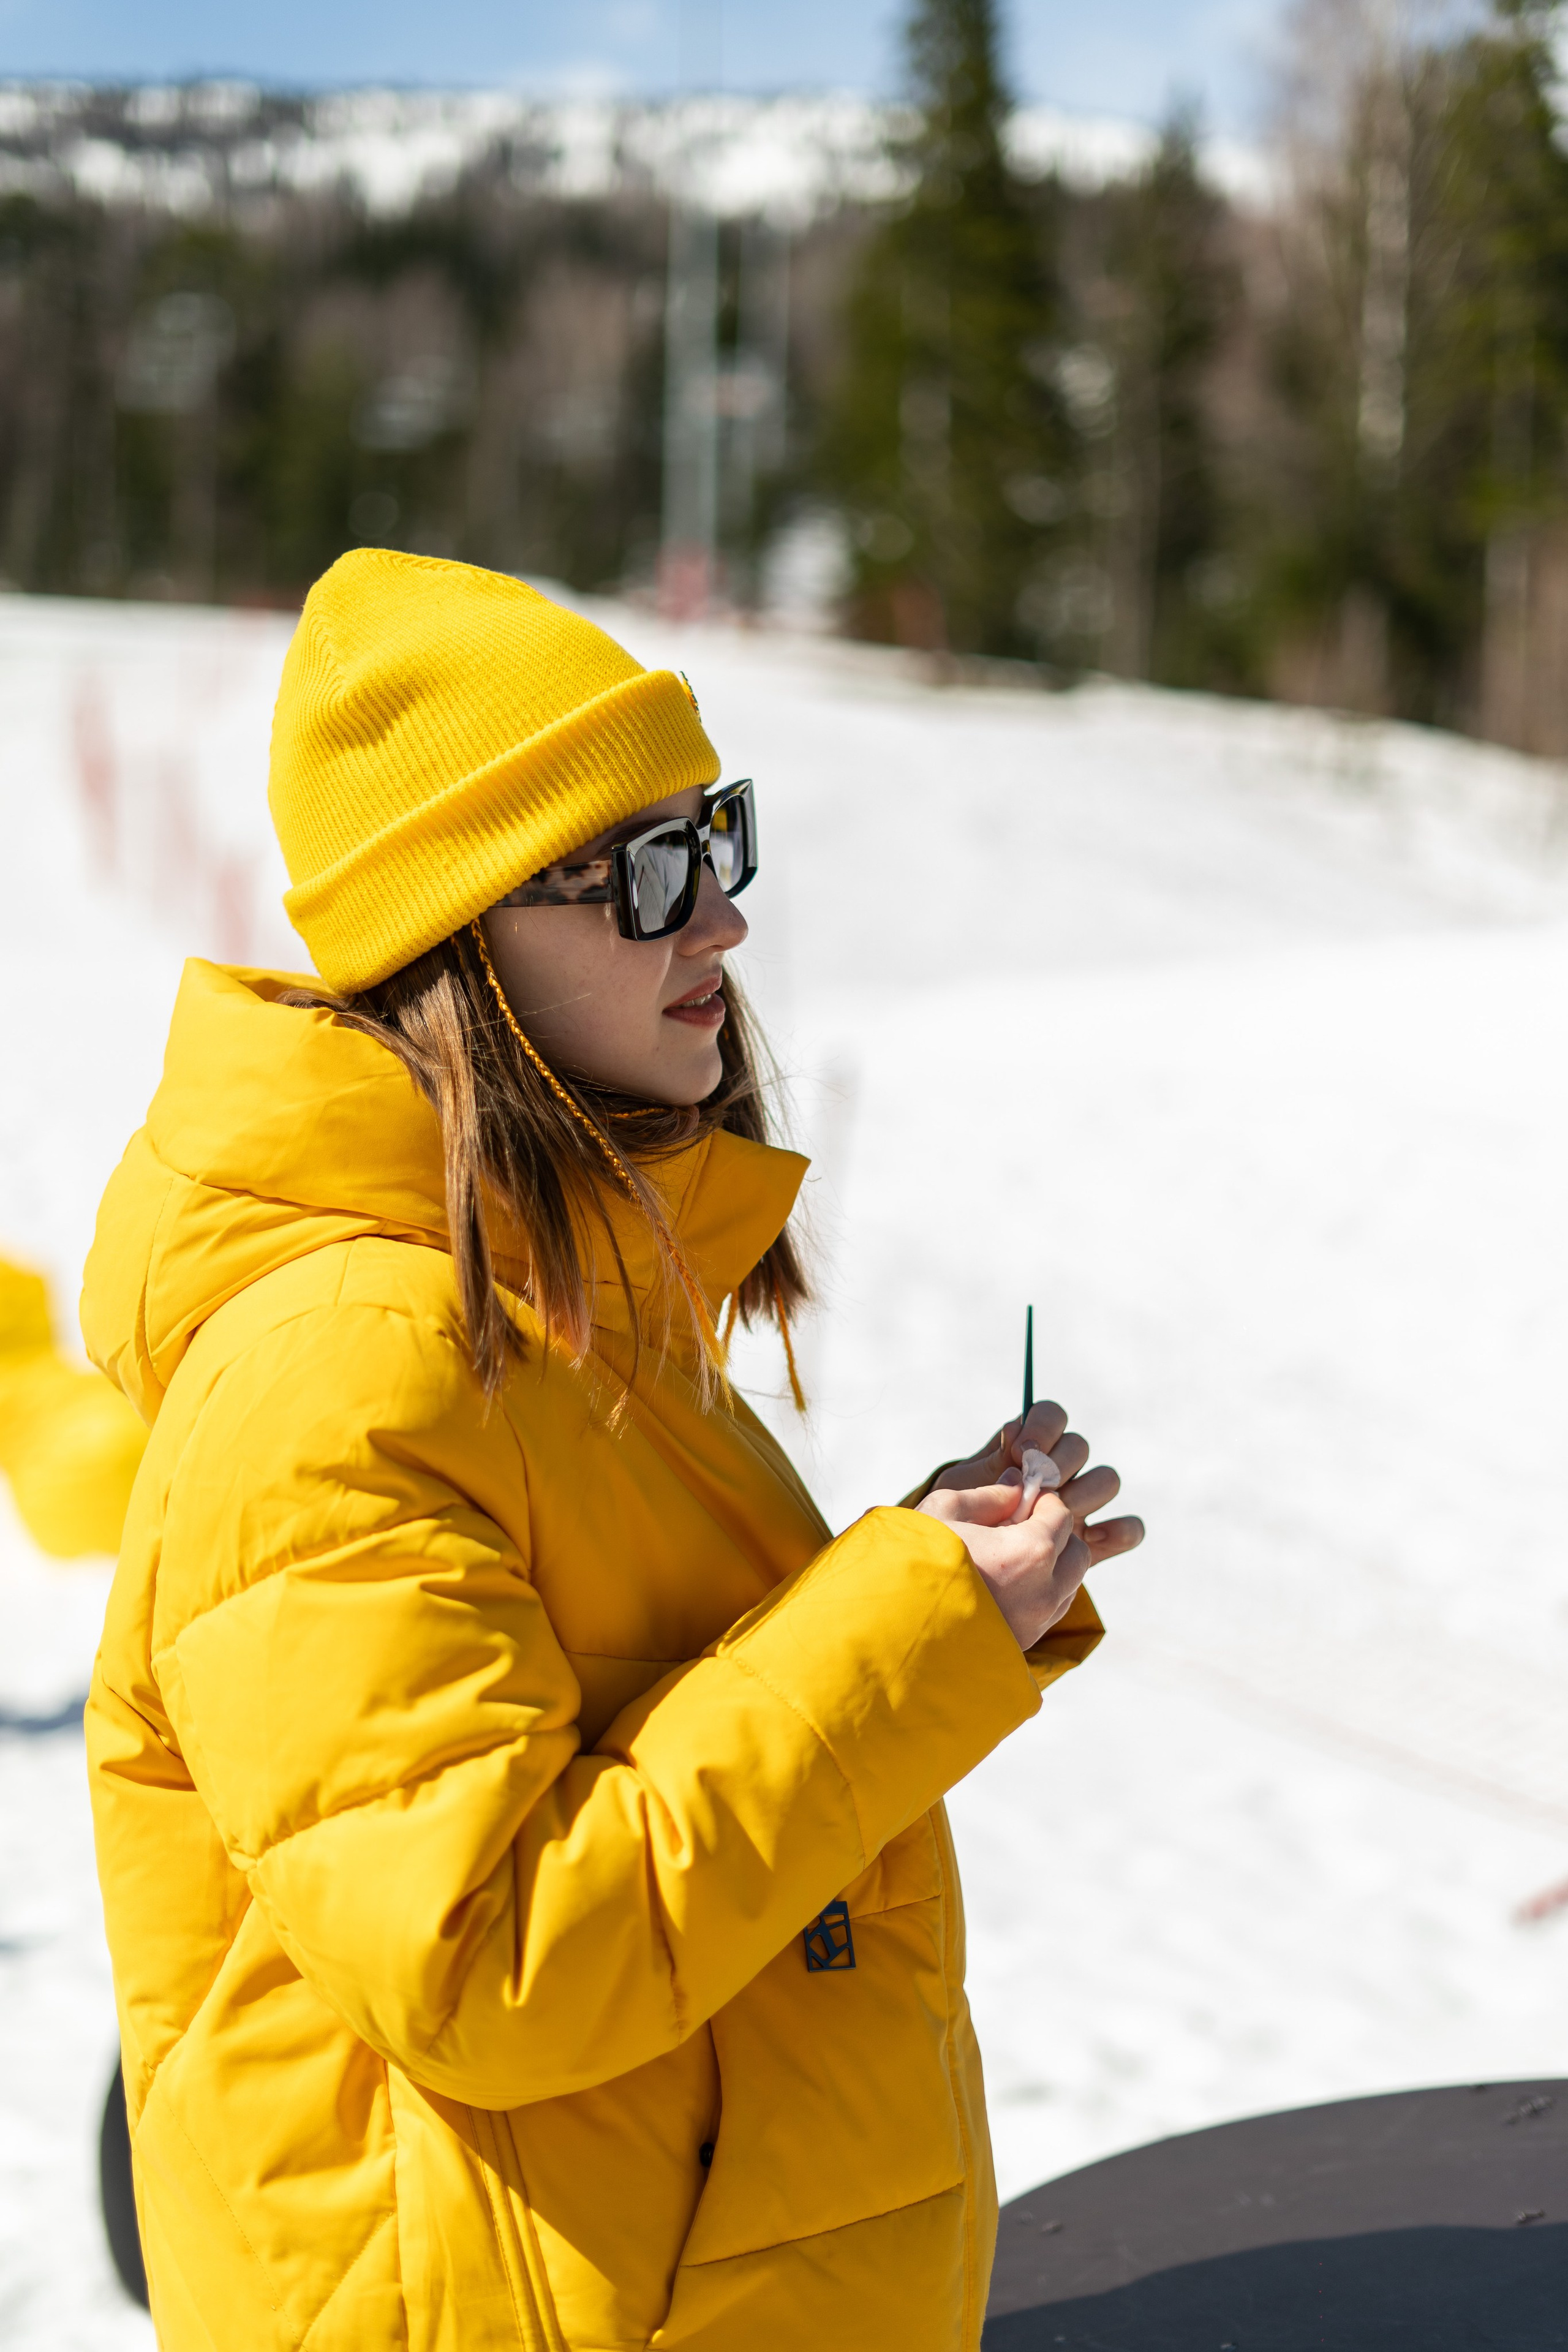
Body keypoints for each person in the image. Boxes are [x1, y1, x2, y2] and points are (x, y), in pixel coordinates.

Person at [83, 550, 1144, 2352]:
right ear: (466, 940)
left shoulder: (555, 1311)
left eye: (715, 839)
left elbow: (656, 1725)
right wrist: (899, 1636)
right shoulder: (336, 1380)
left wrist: (931, 1580)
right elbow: (491, 1957)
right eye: (647, 874)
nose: (718, 920)